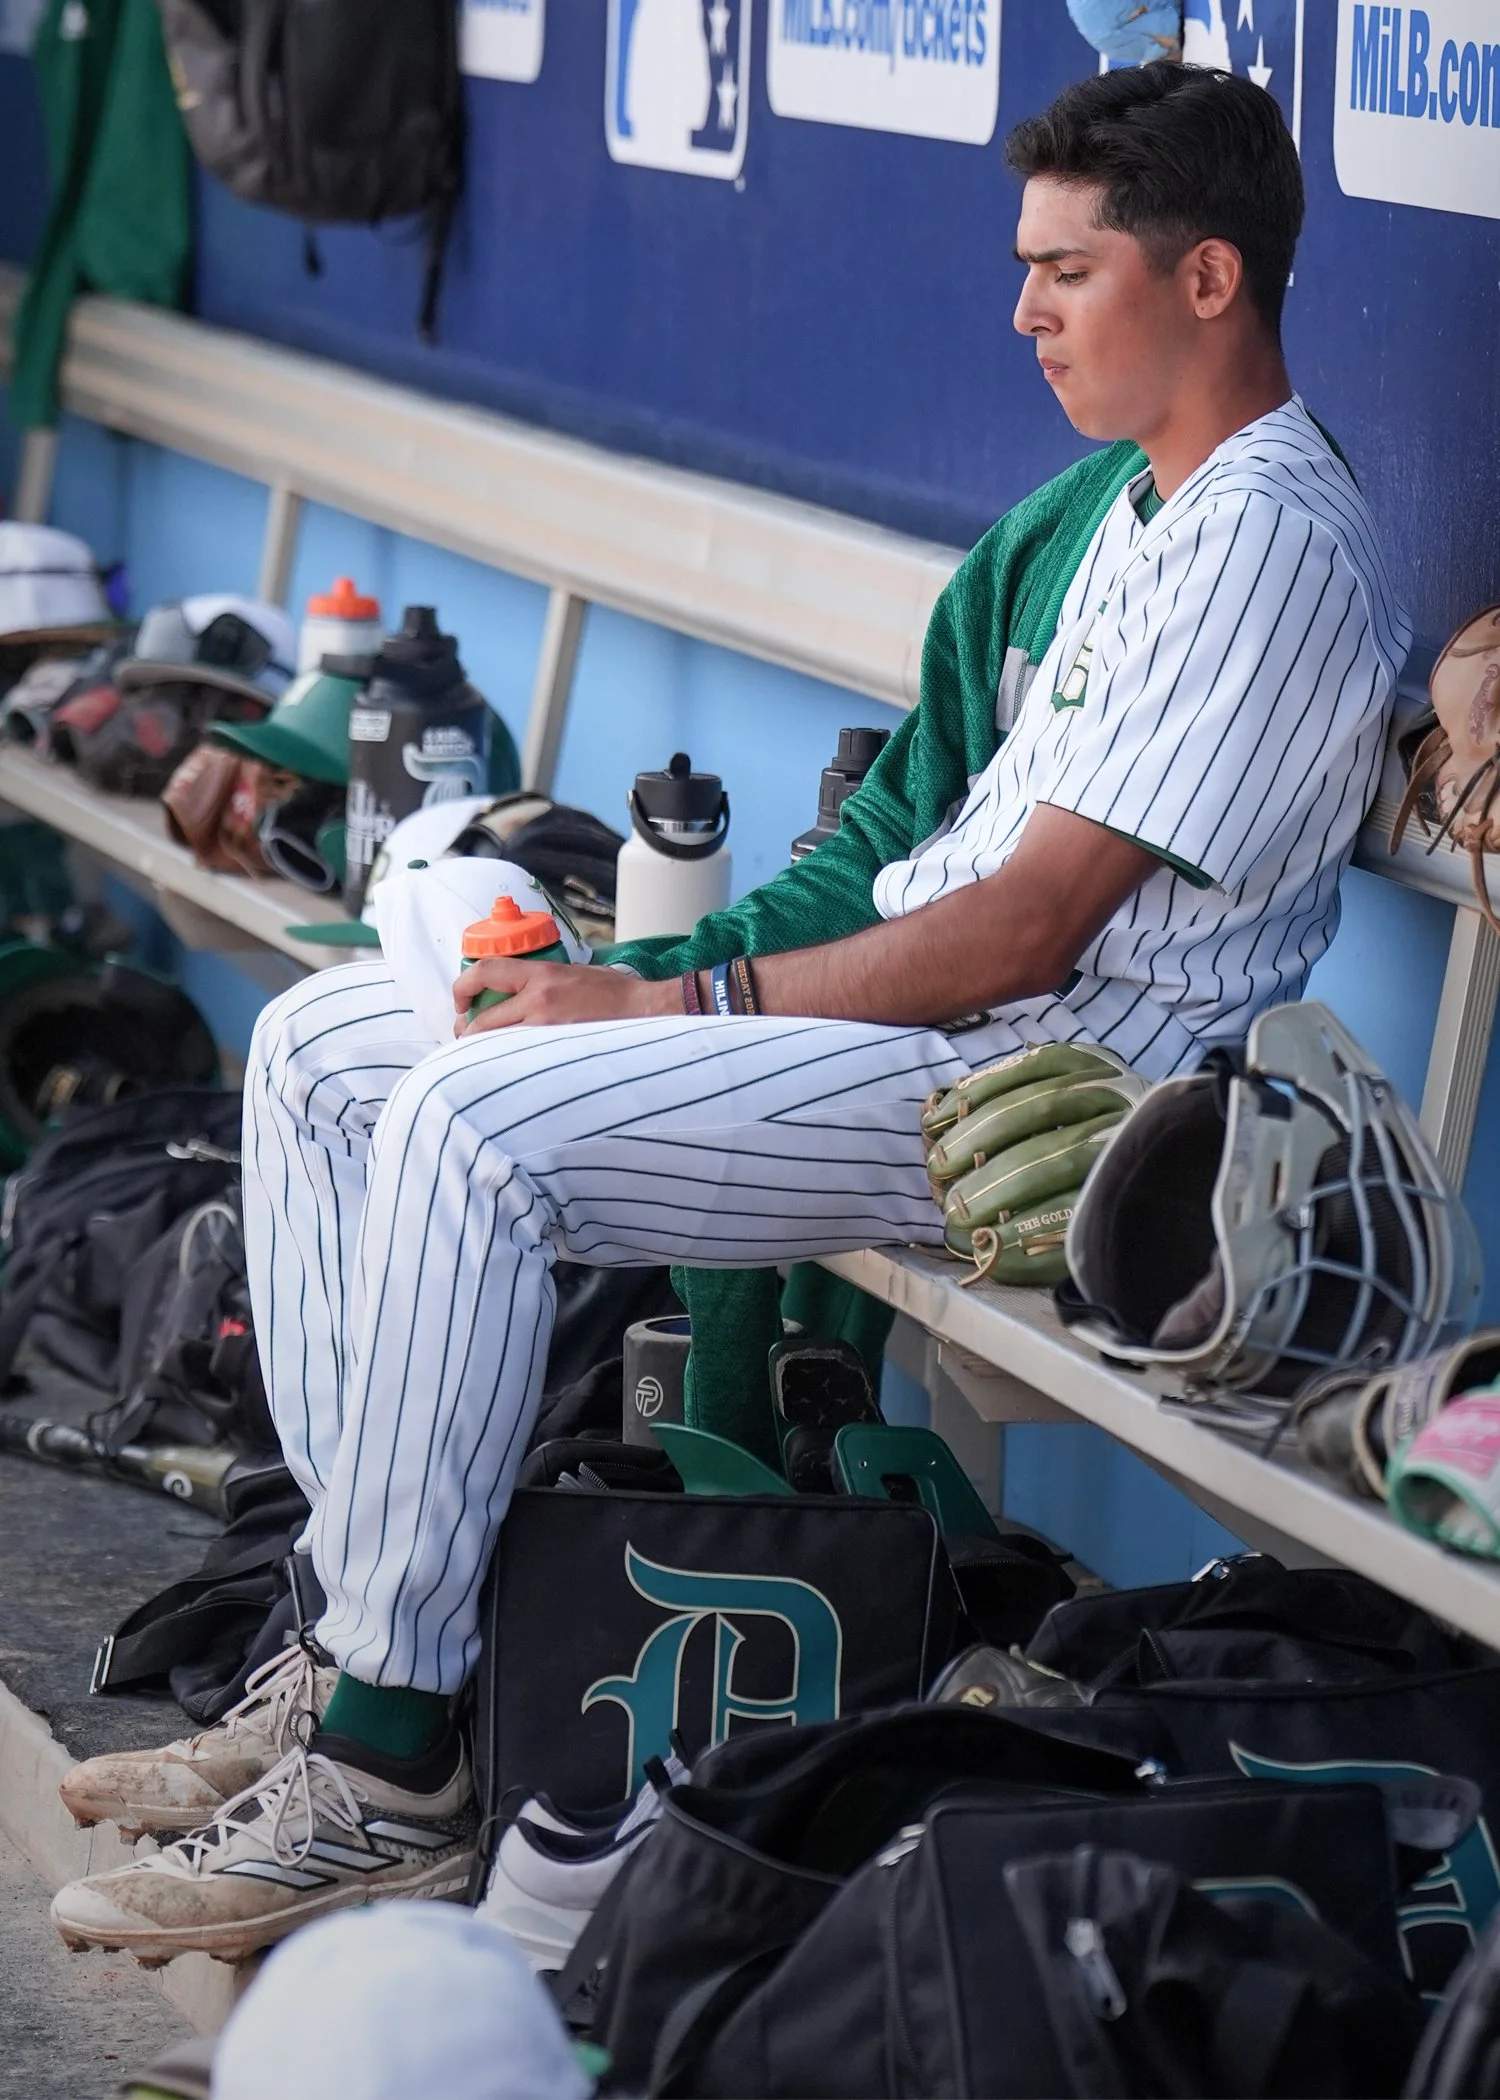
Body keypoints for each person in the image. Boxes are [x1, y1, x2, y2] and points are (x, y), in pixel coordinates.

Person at [51, 59, 1410, 1964]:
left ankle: (387, 1767)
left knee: (472, 1128)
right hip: (926, 1045)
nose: (1024, 310)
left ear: (1207, 279)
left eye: (1067, 270)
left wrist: (671, 991)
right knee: (328, 1048)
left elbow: (1026, 935)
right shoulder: (1136, 505)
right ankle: (345, 1656)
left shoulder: (1269, 534)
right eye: (1025, 266)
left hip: (1047, 1105)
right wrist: (649, 995)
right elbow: (941, 868)